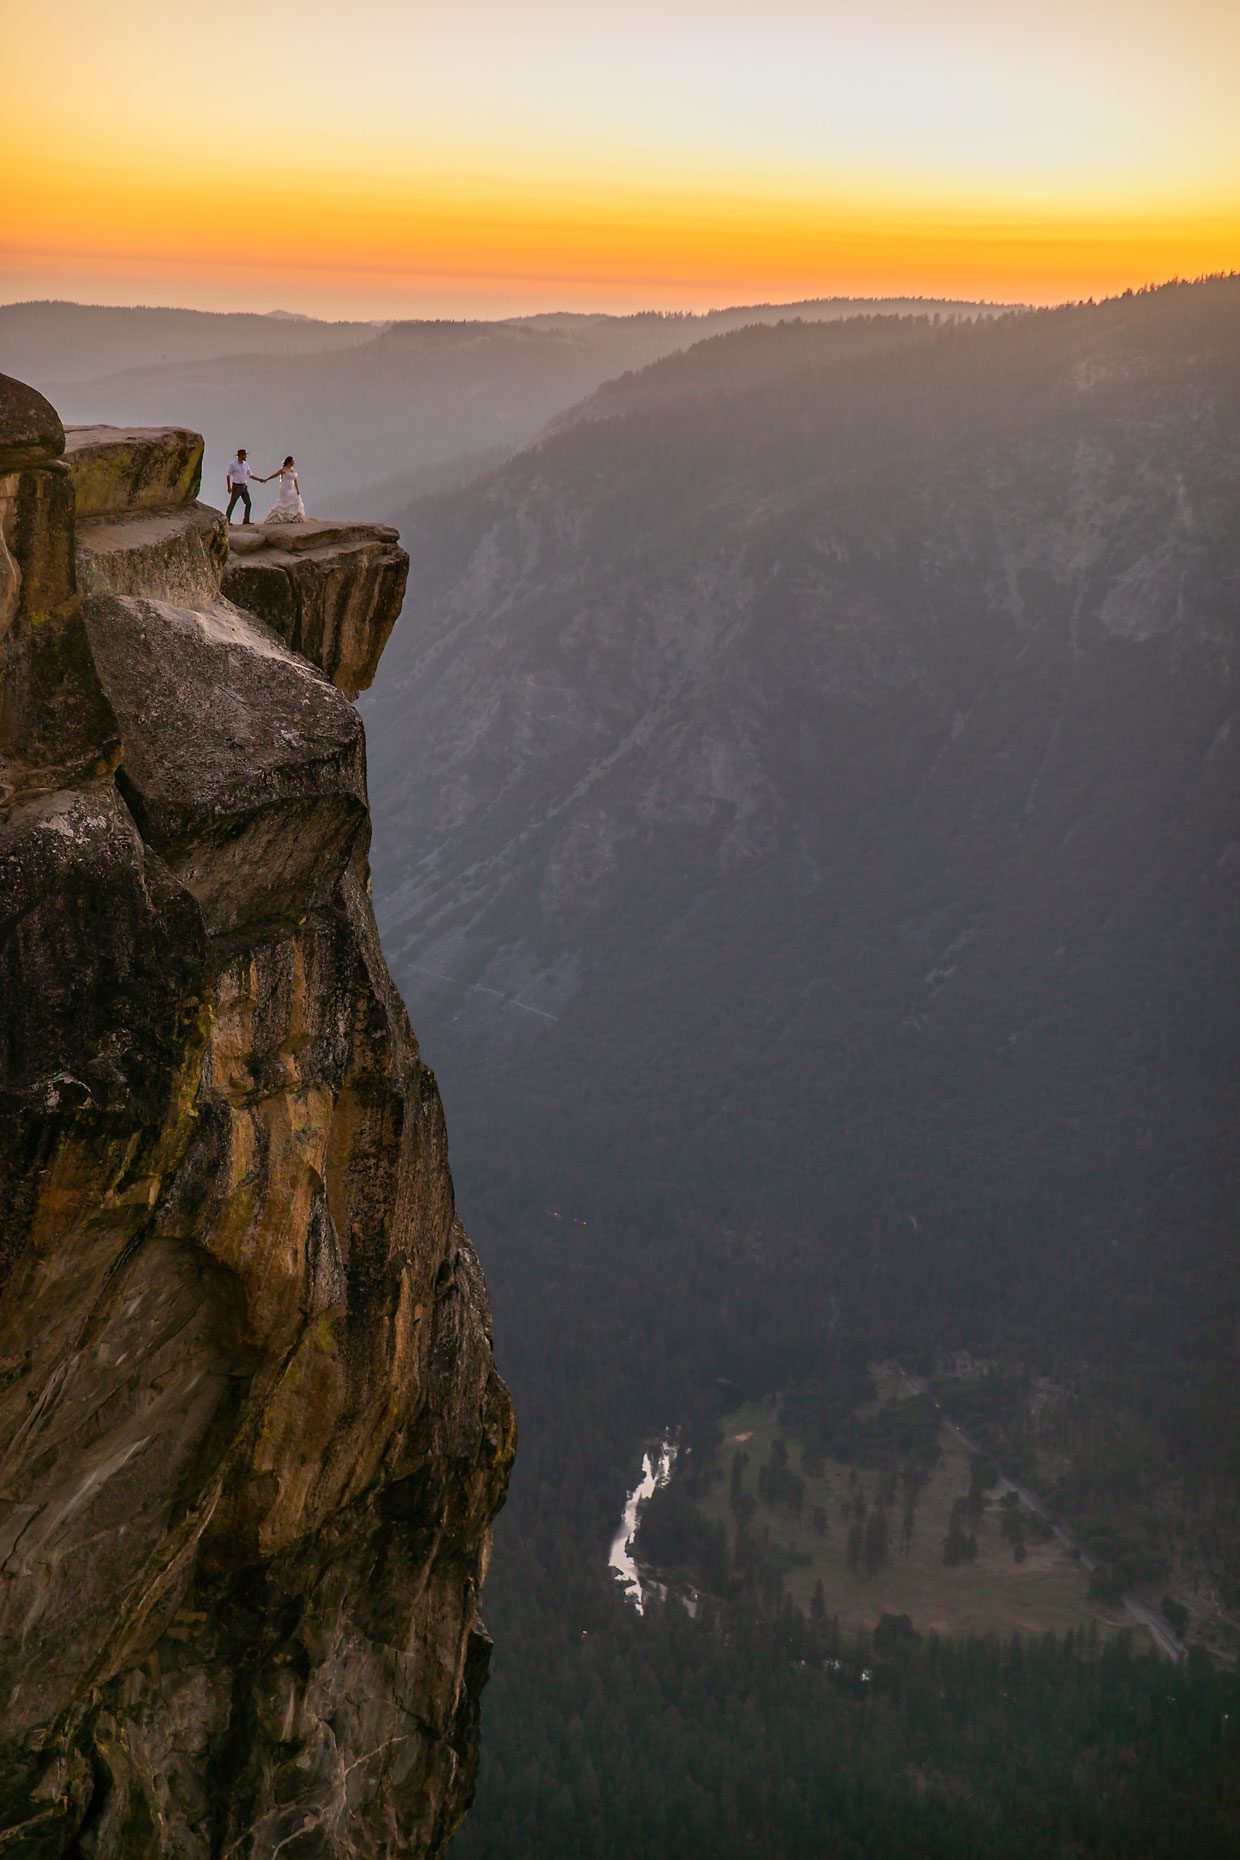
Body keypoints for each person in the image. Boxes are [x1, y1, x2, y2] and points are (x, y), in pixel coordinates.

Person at [225, 448, 266, 524]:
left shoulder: (246, 464)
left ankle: (246, 520)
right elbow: (228, 475)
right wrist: (229, 487)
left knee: (248, 503)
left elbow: (250, 475)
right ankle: (227, 520)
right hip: (236, 486)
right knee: (232, 503)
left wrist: (260, 479)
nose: (245, 457)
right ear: (240, 456)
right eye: (244, 455)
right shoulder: (233, 464)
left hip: (244, 486)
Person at [261, 455, 306, 524]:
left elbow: (295, 481)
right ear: (289, 462)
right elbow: (274, 475)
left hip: (292, 488)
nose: (293, 462)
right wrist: (266, 479)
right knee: (284, 503)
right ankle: (282, 517)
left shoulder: (293, 470)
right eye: (292, 461)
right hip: (285, 488)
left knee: (296, 501)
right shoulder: (283, 469)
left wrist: (297, 490)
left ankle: (293, 517)